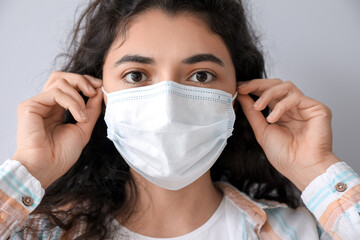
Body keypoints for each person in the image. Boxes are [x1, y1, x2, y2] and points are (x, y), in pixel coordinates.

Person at [1, 0, 359, 239]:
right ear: (96, 94)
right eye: (137, 75)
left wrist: (315, 169)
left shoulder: (300, 232)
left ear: (237, 97)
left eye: (200, 75)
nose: (168, 104)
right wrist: (31, 168)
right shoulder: (41, 233)